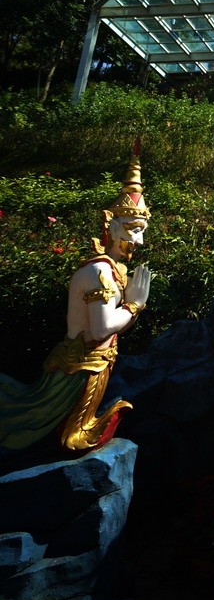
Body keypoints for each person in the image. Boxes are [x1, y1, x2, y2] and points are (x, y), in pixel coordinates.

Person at [0, 147, 152, 453]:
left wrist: (132, 307)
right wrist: (134, 305)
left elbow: (112, 329)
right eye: (133, 230)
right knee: (58, 434)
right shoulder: (99, 272)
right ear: (111, 225)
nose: (139, 241)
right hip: (77, 370)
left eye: (143, 232)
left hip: (94, 367)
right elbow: (100, 329)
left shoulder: (115, 271)